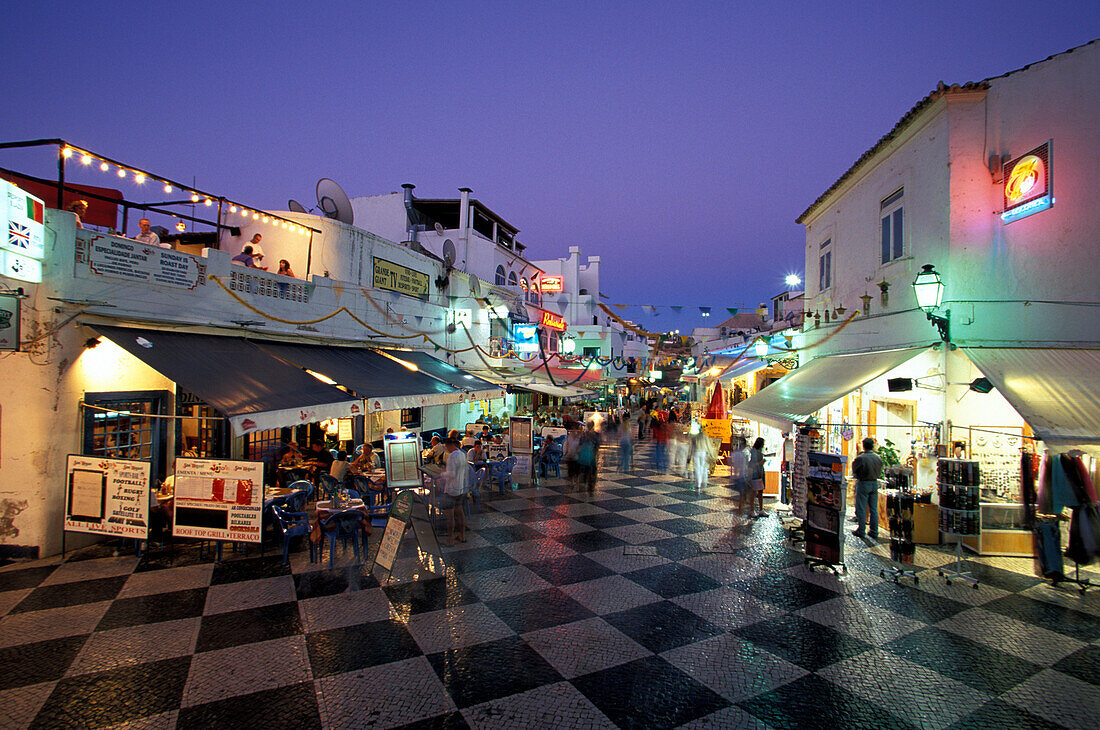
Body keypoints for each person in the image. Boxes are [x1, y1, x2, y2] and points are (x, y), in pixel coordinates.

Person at [851, 437, 884, 539]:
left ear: (864, 446)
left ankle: (861, 530)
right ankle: (874, 531)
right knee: (873, 508)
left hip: (863, 483)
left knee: (861, 508)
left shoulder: (861, 458)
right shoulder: (878, 458)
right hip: (874, 483)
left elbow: (854, 470)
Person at [439, 439, 470, 545]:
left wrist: (441, 475)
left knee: (450, 515)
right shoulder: (462, 454)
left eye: (446, 447)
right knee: (460, 513)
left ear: (449, 445)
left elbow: (451, 474)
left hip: (451, 489)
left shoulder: (452, 456)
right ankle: (462, 536)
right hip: (460, 488)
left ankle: (450, 539)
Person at [690, 423, 718, 492]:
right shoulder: (705, 436)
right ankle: (703, 482)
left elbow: (692, 446)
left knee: (697, 468)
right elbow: (708, 446)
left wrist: (690, 454)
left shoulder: (695, 436)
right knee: (703, 468)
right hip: (703, 453)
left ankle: (698, 483)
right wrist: (712, 455)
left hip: (696, 452)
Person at [576, 422, 601, 492]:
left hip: (584, 456)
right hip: (591, 455)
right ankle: (590, 484)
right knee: (592, 469)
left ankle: (584, 482)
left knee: (585, 469)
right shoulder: (595, 435)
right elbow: (597, 446)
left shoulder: (584, 435)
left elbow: (579, 444)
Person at [747, 437, 767, 517]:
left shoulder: (758, 452)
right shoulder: (754, 453)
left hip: (760, 473)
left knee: (760, 492)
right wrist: (760, 463)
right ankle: (752, 510)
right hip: (755, 473)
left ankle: (761, 510)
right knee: (753, 492)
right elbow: (751, 464)